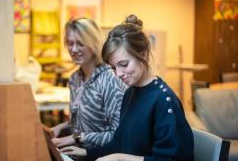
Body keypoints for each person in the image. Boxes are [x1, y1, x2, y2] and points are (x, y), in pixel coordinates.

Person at [60, 14, 194, 161]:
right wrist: (87, 153)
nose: (118, 74)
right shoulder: (130, 93)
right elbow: (119, 142)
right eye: (113, 68)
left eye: (124, 65)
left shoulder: (164, 100)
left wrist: (119, 158)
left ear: (142, 54)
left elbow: (172, 159)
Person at [51, 18, 127, 149]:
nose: (73, 49)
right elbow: (81, 123)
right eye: (70, 43)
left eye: (80, 44)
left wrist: (76, 138)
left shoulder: (109, 79)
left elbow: (118, 135)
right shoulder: (74, 79)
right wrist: (60, 127)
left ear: (94, 44)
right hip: (76, 154)